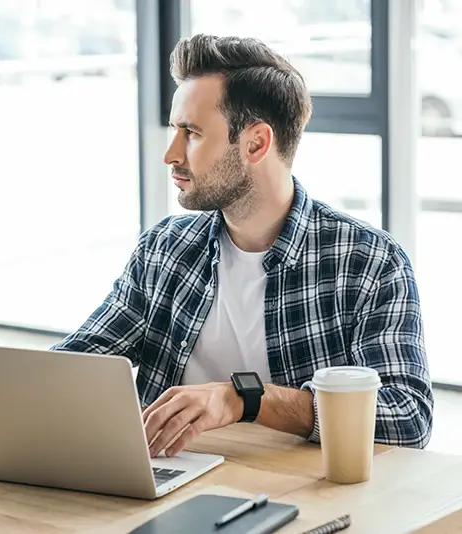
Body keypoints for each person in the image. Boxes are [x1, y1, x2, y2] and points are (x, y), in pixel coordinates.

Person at [51, 34, 433, 457]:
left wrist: (246, 398)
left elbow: (408, 417)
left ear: (255, 143)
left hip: (297, 500)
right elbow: (75, 366)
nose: (171, 154)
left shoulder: (368, 262)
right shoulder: (164, 249)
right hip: (161, 488)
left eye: (191, 133)